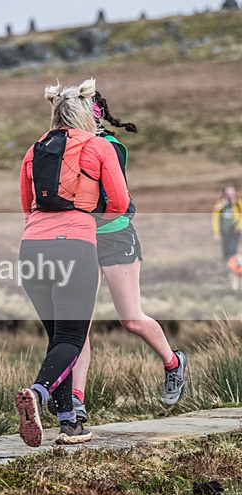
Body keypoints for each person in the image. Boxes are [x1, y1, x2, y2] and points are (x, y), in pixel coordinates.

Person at [51, 91, 187, 423]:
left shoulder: (109, 146)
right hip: (80, 240)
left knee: (131, 320)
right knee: (78, 326)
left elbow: (118, 199)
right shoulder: (58, 148)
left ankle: (173, 362)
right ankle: (77, 401)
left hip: (115, 236)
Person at [16, 79, 130, 447]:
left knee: (58, 338)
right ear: (84, 114)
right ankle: (38, 393)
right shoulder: (97, 147)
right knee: (71, 338)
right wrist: (90, 215)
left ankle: (70, 424)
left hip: (32, 249)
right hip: (75, 247)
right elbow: (120, 202)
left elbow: (26, 204)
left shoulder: (34, 151)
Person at [212, 185, 242, 263]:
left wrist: (235, 203)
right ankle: (227, 265)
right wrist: (216, 233)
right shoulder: (220, 204)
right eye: (228, 193)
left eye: (232, 192)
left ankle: (233, 266)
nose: (230, 195)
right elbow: (215, 219)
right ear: (224, 193)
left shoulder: (238, 203)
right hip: (225, 229)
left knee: (233, 249)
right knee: (226, 249)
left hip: (236, 229)